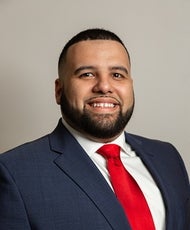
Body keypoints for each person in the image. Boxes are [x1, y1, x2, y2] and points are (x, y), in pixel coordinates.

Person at [0, 28, 189, 230]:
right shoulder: (14, 172)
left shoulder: (167, 157)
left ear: (130, 86)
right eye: (87, 74)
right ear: (59, 90)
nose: (104, 86)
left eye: (117, 74)